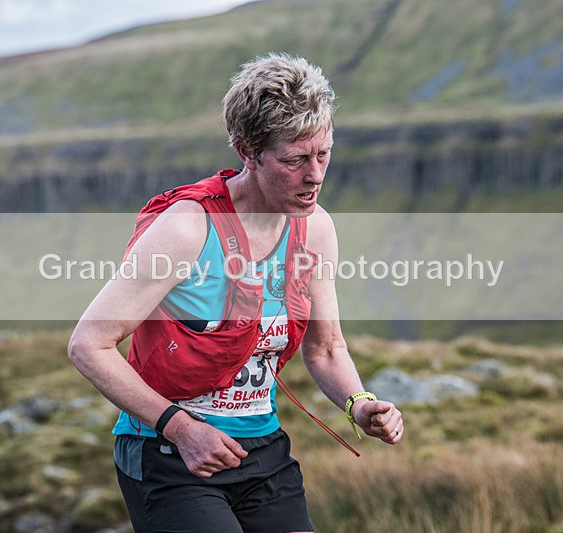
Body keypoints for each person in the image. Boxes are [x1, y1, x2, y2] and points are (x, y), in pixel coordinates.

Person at [68, 52, 404, 533]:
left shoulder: (317, 228)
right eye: (295, 160)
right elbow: (88, 345)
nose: (315, 175)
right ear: (247, 151)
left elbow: (326, 347)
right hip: (167, 453)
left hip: (261, 449)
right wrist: (181, 429)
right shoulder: (187, 228)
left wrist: (358, 403)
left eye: (324, 153)